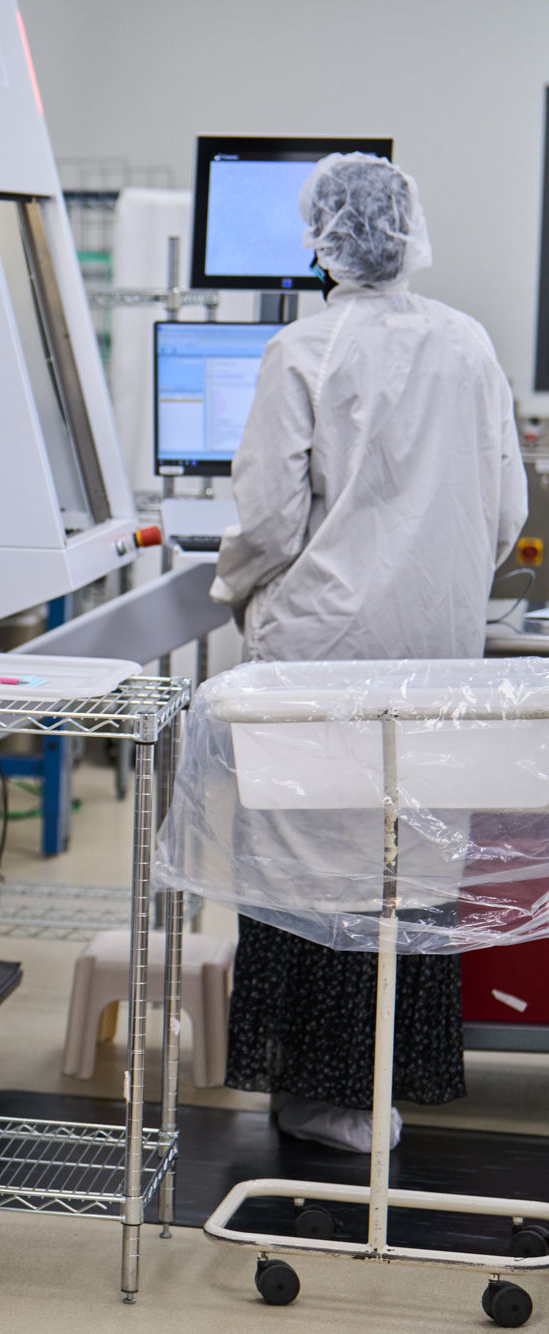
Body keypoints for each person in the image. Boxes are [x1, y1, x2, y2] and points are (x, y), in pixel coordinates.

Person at [213, 153, 527, 1154]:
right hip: (435, 654)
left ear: (321, 243)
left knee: (309, 875)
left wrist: (239, 592)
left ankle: (317, 1092)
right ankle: (384, 1078)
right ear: (407, 235)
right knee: (405, 870)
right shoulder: (468, 344)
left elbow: (267, 521)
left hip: (317, 653)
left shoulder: (301, 350)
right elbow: (506, 508)